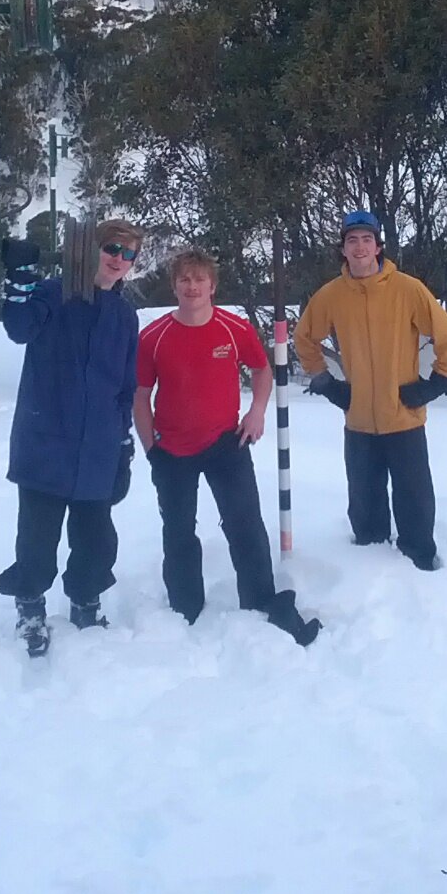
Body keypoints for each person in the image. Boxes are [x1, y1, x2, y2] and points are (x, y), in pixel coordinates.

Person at [134, 248, 322, 647]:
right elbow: (141, 393)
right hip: (172, 450)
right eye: (184, 280)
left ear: (212, 286)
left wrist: (256, 413)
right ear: (175, 286)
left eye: (199, 280)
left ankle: (257, 602)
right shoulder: (154, 336)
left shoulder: (234, 329)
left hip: (226, 443)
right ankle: (185, 611)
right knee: (179, 531)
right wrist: (150, 445)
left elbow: (262, 369)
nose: (192, 287)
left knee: (246, 526)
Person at [0, 216, 143, 657]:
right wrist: (21, 277)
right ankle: (30, 608)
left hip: (97, 447)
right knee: (38, 538)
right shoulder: (53, 294)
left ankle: (85, 602)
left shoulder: (123, 315)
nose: (119, 260)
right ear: (90, 248)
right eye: (112, 248)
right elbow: (19, 328)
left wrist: (123, 444)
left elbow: (124, 386)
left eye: (128, 254)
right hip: (46, 440)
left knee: (96, 540)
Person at [294, 211, 447, 571]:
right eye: (352, 240)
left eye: (366, 240)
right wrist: (325, 382)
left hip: (403, 417)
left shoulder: (408, 288)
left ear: (378, 246)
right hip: (358, 423)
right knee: (364, 504)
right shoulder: (332, 295)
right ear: (343, 248)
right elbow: (305, 338)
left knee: (414, 500)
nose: (359, 247)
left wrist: (438, 381)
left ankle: (421, 564)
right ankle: (369, 571)